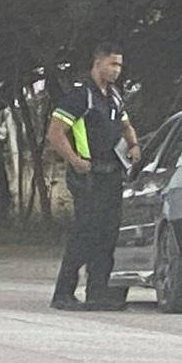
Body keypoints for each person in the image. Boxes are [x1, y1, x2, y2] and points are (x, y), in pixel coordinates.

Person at [46, 42, 141, 311]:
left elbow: (125, 124)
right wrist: (75, 160)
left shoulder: (113, 97)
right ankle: (63, 293)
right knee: (85, 233)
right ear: (98, 63)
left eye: (119, 65)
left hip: (111, 175)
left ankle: (98, 293)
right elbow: (55, 133)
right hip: (88, 175)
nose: (116, 70)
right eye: (112, 64)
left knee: (107, 234)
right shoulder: (81, 96)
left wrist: (133, 145)